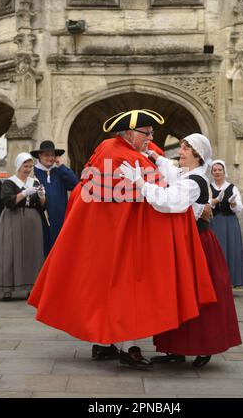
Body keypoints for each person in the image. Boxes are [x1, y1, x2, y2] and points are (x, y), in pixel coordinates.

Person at [28, 110, 217, 369]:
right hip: (119, 236)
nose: (151, 138)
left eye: (152, 133)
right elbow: (140, 194)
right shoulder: (117, 153)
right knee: (124, 290)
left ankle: (109, 344)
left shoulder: (124, 152)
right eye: (147, 133)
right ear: (129, 133)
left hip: (118, 235)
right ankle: (126, 348)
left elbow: (160, 184)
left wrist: (155, 170)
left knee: (114, 290)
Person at [120, 133, 242, 367]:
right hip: (185, 244)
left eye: (186, 148)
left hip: (199, 245)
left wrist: (140, 182)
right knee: (178, 296)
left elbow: (168, 200)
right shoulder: (187, 174)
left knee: (197, 296)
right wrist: (155, 156)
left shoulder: (194, 182)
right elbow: (171, 170)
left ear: (197, 156)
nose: (181, 151)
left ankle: (202, 347)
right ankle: (175, 348)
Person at [0, 153, 46, 301]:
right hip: (12, 219)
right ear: (19, 166)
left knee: (32, 253)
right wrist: (24, 193)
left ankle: (31, 287)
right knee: (10, 252)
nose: (28, 169)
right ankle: (7, 289)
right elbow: (8, 202)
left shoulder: (35, 182)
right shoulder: (9, 183)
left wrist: (42, 196)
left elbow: (42, 205)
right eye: (25, 166)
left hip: (32, 222)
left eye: (30, 166)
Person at [31, 141, 79, 256]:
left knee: (59, 253)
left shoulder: (59, 171)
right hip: (41, 220)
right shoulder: (33, 172)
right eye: (47, 155)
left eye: (52, 155)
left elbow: (75, 184)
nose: (50, 158)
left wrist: (61, 166)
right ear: (40, 156)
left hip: (60, 220)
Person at [209, 160, 243, 287]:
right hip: (214, 223)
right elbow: (206, 205)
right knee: (216, 252)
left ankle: (230, 282)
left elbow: (239, 207)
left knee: (231, 250)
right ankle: (216, 283)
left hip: (230, 223)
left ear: (224, 171)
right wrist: (215, 200)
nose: (217, 172)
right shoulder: (209, 187)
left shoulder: (232, 187)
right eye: (215, 170)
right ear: (212, 172)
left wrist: (233, 203)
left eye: (220, 170)